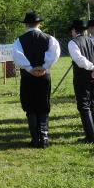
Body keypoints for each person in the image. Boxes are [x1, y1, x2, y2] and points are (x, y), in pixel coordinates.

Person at [13, 11, 60, 148]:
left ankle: (35, 139)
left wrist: (30, 69)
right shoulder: (50, 38)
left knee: (30, 106)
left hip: (28, 76)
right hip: (44, 75)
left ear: (26, 25)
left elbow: (17, 56)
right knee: (43, 105)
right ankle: (44, 138)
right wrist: (44, 67)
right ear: (39, 24)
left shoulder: (19, 40)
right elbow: (54, 54)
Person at [69, 20, 94, 143]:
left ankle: (91, 137)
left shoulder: (73, 42)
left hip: (82, 77)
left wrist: (93, 68)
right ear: (85, 30)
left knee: (84, 106)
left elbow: (79, 59)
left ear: (74, 31)